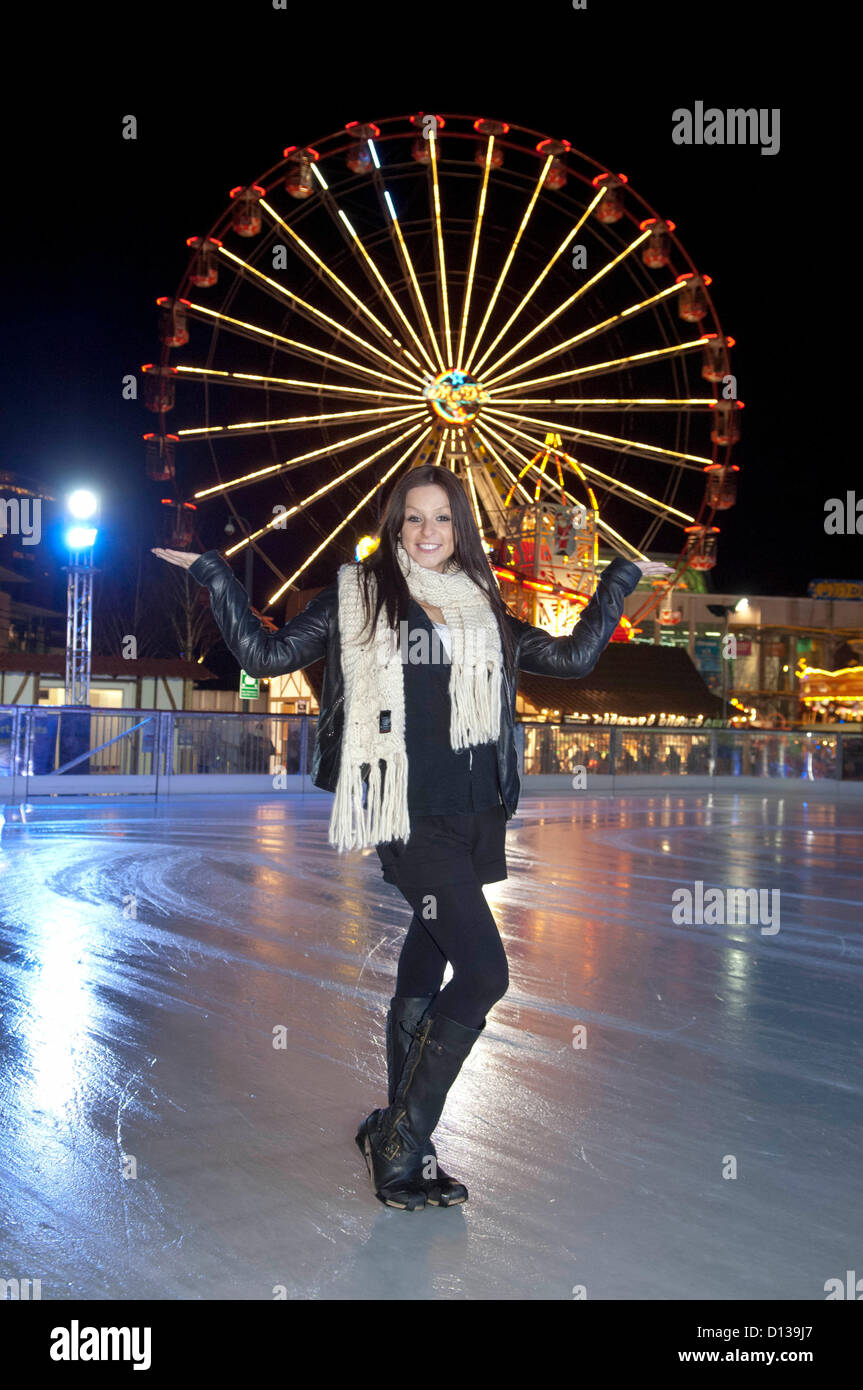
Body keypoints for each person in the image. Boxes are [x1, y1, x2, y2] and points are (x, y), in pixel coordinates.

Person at [153, 465, 670, 1212]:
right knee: (486, 973)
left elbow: (569, 659)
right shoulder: (357, 598)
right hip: (408, 817)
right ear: (395, 526)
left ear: (461, 528)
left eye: (442, 520)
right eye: (413, 520)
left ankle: (395, 1130)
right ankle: (402, 1137)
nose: (427, 533)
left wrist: (616, 581)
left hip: (473, 812)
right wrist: (214, 576)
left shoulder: (484, 609)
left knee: (427, 962)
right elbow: (265, 657)